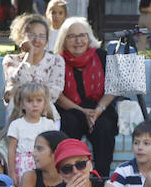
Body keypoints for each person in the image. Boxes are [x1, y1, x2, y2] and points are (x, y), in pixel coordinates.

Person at [51, 16, 118, 175]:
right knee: (70, 123)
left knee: (104, 127)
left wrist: (98, 111)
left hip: (99, 108)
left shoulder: (101, 56)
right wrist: (82, 111)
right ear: (64, 40)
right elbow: (57, 95)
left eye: (82, 35)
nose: (78, 41)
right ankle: (69, 174)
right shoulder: (58, 60)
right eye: (72, 36)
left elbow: (113, 88)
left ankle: (101, 178)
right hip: (70, 109)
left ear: (89, 37)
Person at [2, 13, 65, 123]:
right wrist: (29, 53)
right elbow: (17, 82)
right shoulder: (10, 60)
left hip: (46, 115)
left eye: (42, 36)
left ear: (46, 40)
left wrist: (25, 90)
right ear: (22, 36)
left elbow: (54, 93)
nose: (37, 40)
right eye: (32, 35)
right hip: (18, 116)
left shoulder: (56, 61)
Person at [5, 82, 59, 182]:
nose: (35, 104)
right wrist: (12, 172)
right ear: (22, 104)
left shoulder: (49, 124)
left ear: (45, 103)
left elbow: (54, 147)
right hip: (22, 169)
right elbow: (11, 150)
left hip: (43, 166)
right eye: (30, 101)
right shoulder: (16, 125)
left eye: (39, 100)